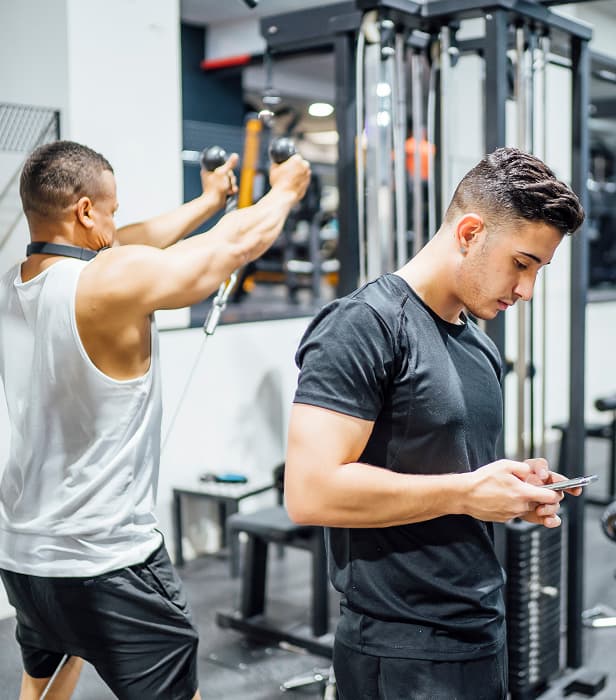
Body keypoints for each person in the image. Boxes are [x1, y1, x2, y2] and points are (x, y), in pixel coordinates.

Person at [0, 139, 310, 700]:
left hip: (24, 558)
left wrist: (207, 200)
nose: (117, 223)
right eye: (111, 209)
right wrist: (285, 189)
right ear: (85, 211)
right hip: (108, 563)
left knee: (41, 686)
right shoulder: (107, 284)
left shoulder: (13, 285)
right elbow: (235, 244)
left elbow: (129, 243)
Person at [285, 147, 585, 700]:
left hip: (478, 628)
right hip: (400, 648)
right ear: (470, 232)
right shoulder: (364, 326)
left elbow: (453, 470)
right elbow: (310, 492)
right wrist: (469, 492)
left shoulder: (477, 344)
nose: (526, 291)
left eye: (538, 271)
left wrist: (511, 486)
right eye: (521, 264)